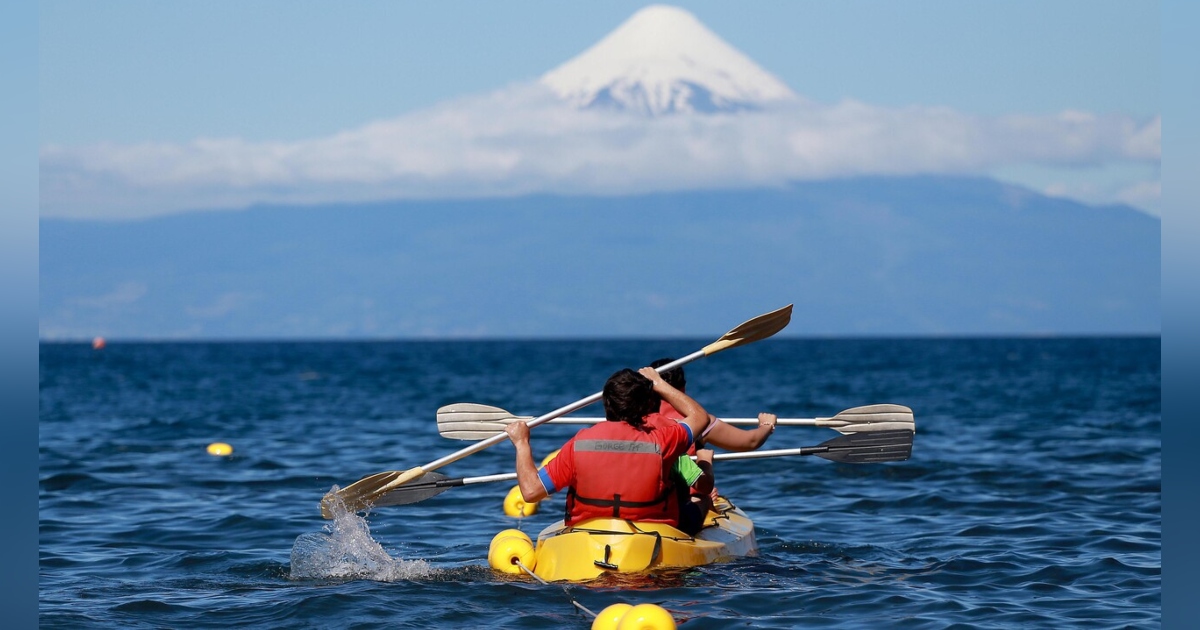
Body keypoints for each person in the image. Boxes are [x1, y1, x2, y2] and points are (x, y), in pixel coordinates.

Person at [505, 366, 710, 529]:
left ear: (606, 404)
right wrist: (659, 383)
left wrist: (522, 443)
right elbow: (701, 417)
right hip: (654, 532)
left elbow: (531, 492)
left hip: (589, 534)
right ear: (646, 405)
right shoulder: (663, 441)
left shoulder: (579, 444)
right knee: (703, 499)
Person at [648, 358, 778, 452]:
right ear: (684, 386)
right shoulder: (698, 421)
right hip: (684, 490)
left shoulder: (634, 416)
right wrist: (766, 425)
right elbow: (751, 441)